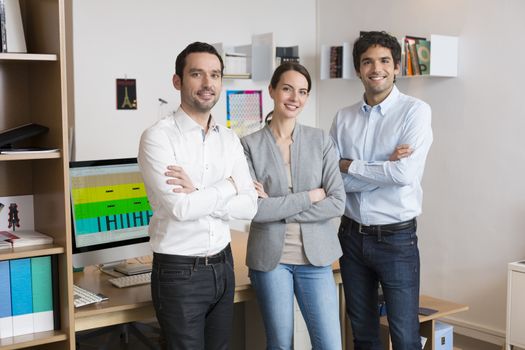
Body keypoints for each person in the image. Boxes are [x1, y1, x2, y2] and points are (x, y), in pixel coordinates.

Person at [138, 42, 258, 350]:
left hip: (223, 265)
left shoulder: (229, 138)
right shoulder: (158, 137)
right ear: (177, 81)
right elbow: (180, 207)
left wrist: (201, 194)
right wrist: (230, 185)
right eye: (197, 74)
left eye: (215, 75)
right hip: (180, 273)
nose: (208, 84)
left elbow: (250, 206)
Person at [330, 31, 433, 350]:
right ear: (358, 69)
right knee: (362, 333)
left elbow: (403, 174)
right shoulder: (343, 117)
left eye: (385, 61)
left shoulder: (415, 111)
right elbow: (333, 180)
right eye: (368, 62)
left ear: (397, 67)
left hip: (396, 240)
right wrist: (381, 166)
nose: (377, 68)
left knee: (403, 335)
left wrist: (351, 164)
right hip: (350, 236)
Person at [241, 62, 346, 350]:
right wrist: (310, 196)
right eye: (287, 89)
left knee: (330, 345)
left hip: (317, 258)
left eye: (302, 92)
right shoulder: (248, 145)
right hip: (270, 261)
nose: (294, 98)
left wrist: (277, 207)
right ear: (272, 90)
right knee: (281, 344)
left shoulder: (320, 140)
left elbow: (337, 202)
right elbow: (256, 210)